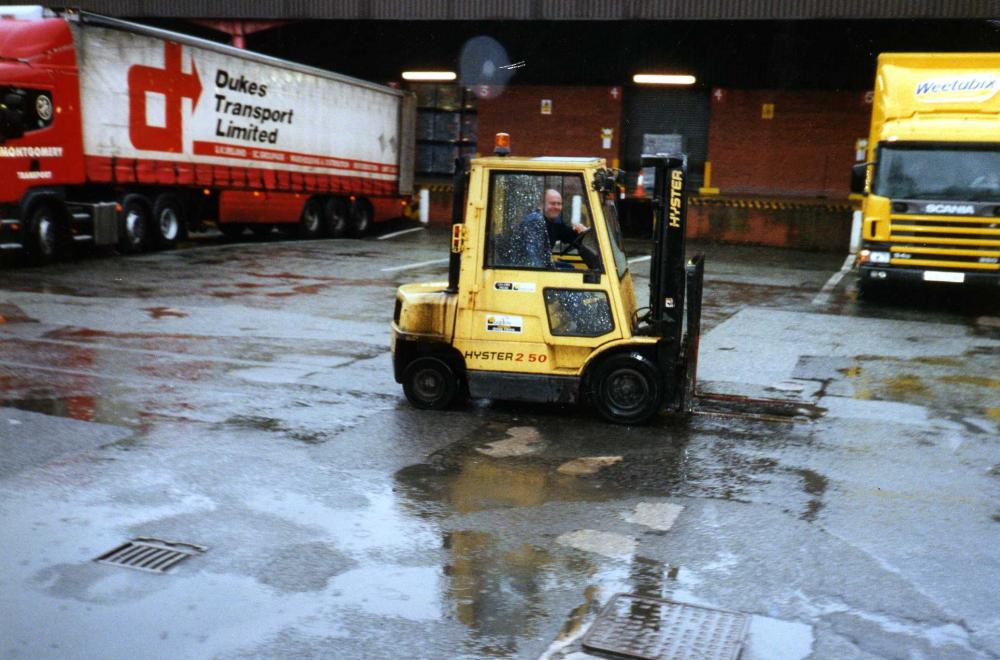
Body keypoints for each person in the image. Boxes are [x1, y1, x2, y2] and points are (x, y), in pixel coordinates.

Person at [511, 189, 588, 268]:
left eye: (559, 204)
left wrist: (579, 230)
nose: (556, 207)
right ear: (542, 205)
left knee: (569, 268)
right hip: (525, 269)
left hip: (543, 263)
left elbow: (566, 235)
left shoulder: (555, 221)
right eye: (552, 203)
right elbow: (533, 257)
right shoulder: (534, 222)